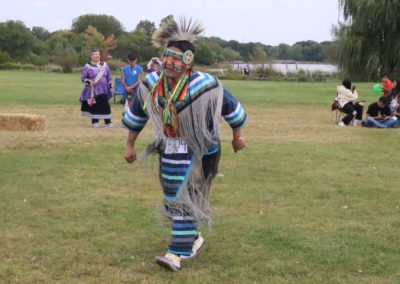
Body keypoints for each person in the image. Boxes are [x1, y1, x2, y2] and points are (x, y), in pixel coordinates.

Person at [122, 17, 247, 272]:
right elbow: (137, 115)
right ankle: (193, 238)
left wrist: (238, 136)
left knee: (183, 196)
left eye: (177, 58)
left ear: (189, 61)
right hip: (169, 148)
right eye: (167, 56)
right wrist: (130, 145)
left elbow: (232, 107)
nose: (169, 62)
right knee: (173, 194)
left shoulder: (206, 86)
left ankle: (175, 253)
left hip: (200, 151)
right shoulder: (152, 85)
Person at [79, 48, 114, 128]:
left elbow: (109, 76)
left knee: (105, 105)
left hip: (104, 89)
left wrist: (110, 85)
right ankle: (95, 122)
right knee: (95, 105)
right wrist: (90, 82)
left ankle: (108, 122)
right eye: (95, 54)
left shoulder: (104, 65)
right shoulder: (87, 66)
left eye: (98, 54)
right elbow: (83, 78)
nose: (97, 56)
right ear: (91, 56)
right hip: (93, 90)